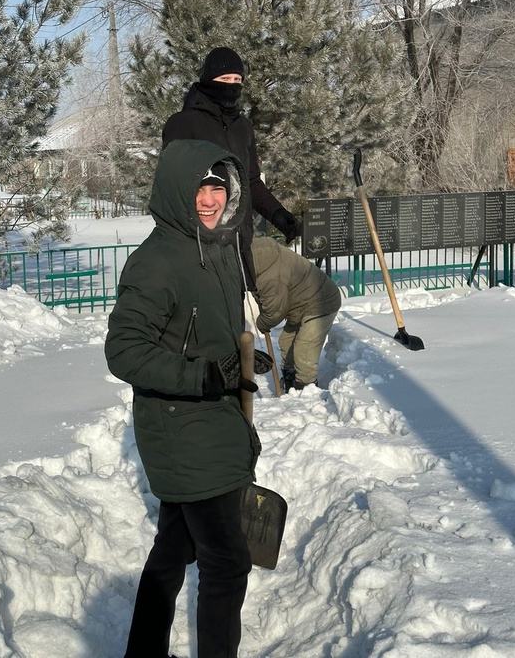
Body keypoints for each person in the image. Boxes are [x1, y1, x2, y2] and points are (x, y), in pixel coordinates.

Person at [105, 139, 263, 658]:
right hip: (183, 427)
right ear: (176, 190)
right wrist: (200, 378)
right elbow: (124, 351)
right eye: (199, 186)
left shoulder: (214, 250)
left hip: (208, 421)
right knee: (225, 561)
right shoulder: (158, 261)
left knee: (174, 548)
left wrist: (240, 365)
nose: (209, 198)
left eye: (217, 187)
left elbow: (203, 333)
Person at [162, 46, 301, 288]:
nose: (232, 84)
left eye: (238, 79)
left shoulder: (243, 127)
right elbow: (173, 188)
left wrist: (278, 214)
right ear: (208, 80)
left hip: (238, 240)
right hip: (201, 245)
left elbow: (251, 181)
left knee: (237, 317)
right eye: (225, 78)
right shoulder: (183, 124)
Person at [251, 235, 342, 392]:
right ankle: (290, 379)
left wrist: (262, 323)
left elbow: (275, 311)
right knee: (286, 342)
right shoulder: (259, 255)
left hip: (321, 302)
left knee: (304, 349)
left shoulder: (269, 275)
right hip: (299, 305)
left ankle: (305, 389)